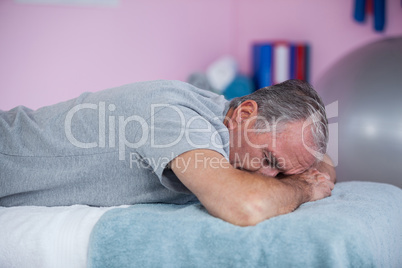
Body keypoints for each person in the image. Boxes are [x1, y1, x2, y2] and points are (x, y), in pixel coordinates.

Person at [0, 79, 335, 226]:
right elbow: (245, 205)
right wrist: (303, 187)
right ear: (245, 114)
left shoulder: (228, 121)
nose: (267, 177)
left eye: (282, 173)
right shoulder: (176, 115)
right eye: (269, 161)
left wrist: (302, 171)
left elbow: (322, 163)